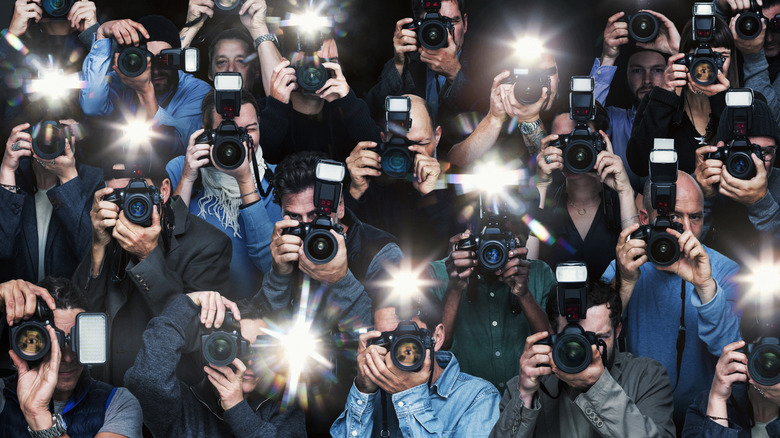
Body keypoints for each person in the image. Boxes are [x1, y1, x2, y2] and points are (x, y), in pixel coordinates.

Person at [602, 170, 742, 430]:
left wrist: (705, 286)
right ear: (646, 218)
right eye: (675, 216)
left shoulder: (724, 270)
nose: (686, 230)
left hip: (705, 415)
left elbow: (732, 356)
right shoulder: (626, 265)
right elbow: (599, 336)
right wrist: (626, 281)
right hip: (639, 414)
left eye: (696, 217)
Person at [73, 159, 232, 386]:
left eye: (137, 192)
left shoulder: (209, 244)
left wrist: (148, 256)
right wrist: (98, 246)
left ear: (164, 190)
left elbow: (197, 334)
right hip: (108, 393)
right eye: (119, 195)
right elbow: (81, 317)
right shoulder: (107, 230)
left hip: (169, 395)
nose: (131, 204)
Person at [489, 280, 675, 438]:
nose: (588, 349)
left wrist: (598, 387)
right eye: (575, 338)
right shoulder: (529, 381)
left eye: (598, 338)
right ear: (553, 333)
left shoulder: (646, 376)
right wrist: (526, 396)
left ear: (617, 331)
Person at [253, 150, 402, 330]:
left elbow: (384, 340)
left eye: (316, 215)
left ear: (339, 206)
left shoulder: (381, 253)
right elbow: (260, 329)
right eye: (295, 216)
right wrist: (278, 275)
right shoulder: (289, 245)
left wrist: (340, 280)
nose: (307, 226)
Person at [124, 290, 306, 437]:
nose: (250, 362)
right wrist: (186, 303)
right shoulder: (183, 406)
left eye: (261, 350)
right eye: (240, 347)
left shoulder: (284, 407)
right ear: (214, 347)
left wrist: (237, 408)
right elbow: (146, 380)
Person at [330, 296, 501, 437]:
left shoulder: (477, 397)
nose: (400, 351)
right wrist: (363, 390)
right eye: (388, 339)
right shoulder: (373, 395)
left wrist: (409, 397)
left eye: (408, 339)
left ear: (437, 337)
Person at [167, 89, 281, 297]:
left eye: (249, 130)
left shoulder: (277, 179)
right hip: (193, 302)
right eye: (227, 131)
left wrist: (245, 179)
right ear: (206, 133)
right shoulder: (180, 169)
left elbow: (269, 264)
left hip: (254, 308)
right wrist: (187, 177)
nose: (237, 141)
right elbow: (167, 244)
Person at [0, 277, 142, 438]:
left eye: (78, 340)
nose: (67, 358)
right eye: (53, 343)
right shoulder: (2, 395)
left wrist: (38, 415)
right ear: (27, 339)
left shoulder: (118, 403)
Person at [426, 230, 554, 392]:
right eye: (485, 239)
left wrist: (524, 294)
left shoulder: (539, 272)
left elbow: (553, 349)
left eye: (506, 236)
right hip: (465, 406)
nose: (493, 250)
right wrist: (455, 288)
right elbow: (435, 349)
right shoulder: (439, 274)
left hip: (528, 401)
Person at [528, 107, 639, 282]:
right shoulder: (547, 205)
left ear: (602, 142)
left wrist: (624, 190)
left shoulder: (624, 201)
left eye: (580, 140)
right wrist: (540, 188)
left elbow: (635, 266)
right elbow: (528, 274)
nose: (572, 150)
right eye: (563, 141)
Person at [79, 15, 212, 160]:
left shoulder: (197, 91)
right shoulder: (124, 79)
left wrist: (145, 91)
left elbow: (178, 148)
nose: (154, 70)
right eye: (146, 59)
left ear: (177, 58)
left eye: (164, 59)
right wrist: (102, 35)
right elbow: (92, 107)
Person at [345, 94, 459, 261]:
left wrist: (430, 196)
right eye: (397, 143)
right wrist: (354, 193)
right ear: (383, 139)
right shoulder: (368, 179)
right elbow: (346, 250)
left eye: (419, 143)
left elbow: (451, 255)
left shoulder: (454, 181)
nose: (406, 153)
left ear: (437, 137)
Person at [628, 15, 738, 177]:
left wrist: (723, 99)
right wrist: (665, 95)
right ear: (684, 59)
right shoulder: (656, 101)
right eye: (702, 59)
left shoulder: (747, 102)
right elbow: (640, 165)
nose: (709, 67)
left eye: (721, 57)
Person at [364, 0, 479, 155]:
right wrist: (399, 65)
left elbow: (486, 115)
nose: (441, 31)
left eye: (451, 22)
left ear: (464, 23)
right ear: (417, 26)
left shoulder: (485, 65)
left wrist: (455, 74)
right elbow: (371, 116)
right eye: (432, 23)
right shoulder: (404, 63)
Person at [0, 121, 103, 283]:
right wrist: (7, 170)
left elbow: (90, 256)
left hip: (69, 303)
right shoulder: (11, 180)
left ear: (72, 139)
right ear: (28, 139)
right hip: (20, 303)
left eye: (58, 134)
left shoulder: (92, 180)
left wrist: (68, 177)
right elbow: (3, 251)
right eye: (43, 135)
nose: (49, 140)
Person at [589, 9, 680, 191]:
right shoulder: (614, 120)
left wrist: (677, 51)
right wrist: (608, 56)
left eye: (657, 70)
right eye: (637, 70)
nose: (647, 80)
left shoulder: (684, 120)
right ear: (627, 76)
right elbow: (585, 115)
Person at [695, 94, 780, 261]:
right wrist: (702, 198)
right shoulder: (700, 183)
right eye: (744, 153)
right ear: (720, 150)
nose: (756, 162)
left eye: (764, 152)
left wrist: (762, 204)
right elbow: (683, 255)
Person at [0, 0, 98, 142]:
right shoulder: (15, 46)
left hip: (82, 160)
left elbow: (118, 114)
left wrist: (95, 40)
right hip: (24, 158)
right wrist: (11, 36)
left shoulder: (98, 45)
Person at [682, 304, 780, 437]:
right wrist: (718, 400)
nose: (770, 364)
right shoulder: (706, 404)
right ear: (745, 351)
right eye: (762, 351)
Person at [447, 52, 560, 168]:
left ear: (559, 75)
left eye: (548, 73)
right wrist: (494, 118)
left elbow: (554, 175)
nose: (539, 84)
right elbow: (454, 161)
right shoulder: (489, 108)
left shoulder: (570, 115)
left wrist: (529, 119)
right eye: (532, 76)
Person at [714, 0, 780, 124]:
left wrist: (754, 56)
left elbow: (769, 121)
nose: (769, 38)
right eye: (758, 27)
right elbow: (701, 45)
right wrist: (719, 8)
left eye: (777, 28)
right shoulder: (728, 48)